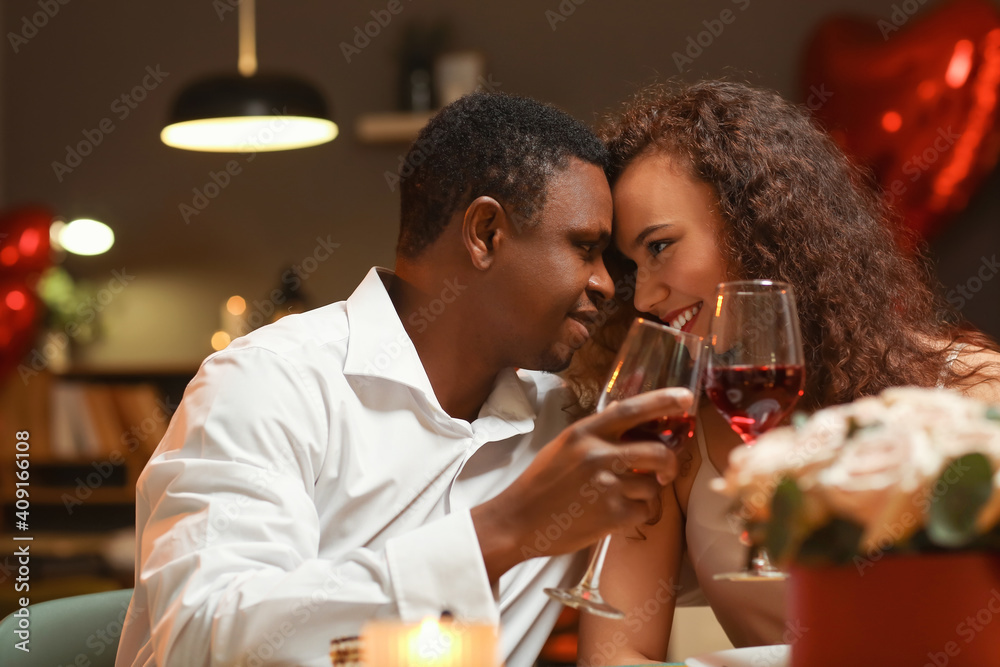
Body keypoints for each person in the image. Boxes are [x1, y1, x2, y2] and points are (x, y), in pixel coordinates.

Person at [115, 92, 694, 667]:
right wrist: (503, 530)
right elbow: (197, 641)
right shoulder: (267, 384)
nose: (606, 285)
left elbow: (729, 560)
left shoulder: (569, 425)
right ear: (486, 232)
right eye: (585, 249)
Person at [572, 80, 1000, 665]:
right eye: (633, 265)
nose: (645, 295)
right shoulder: (675, 430)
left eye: (661, 246)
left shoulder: (972, 389)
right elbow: (612, 657)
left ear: (758, 224)